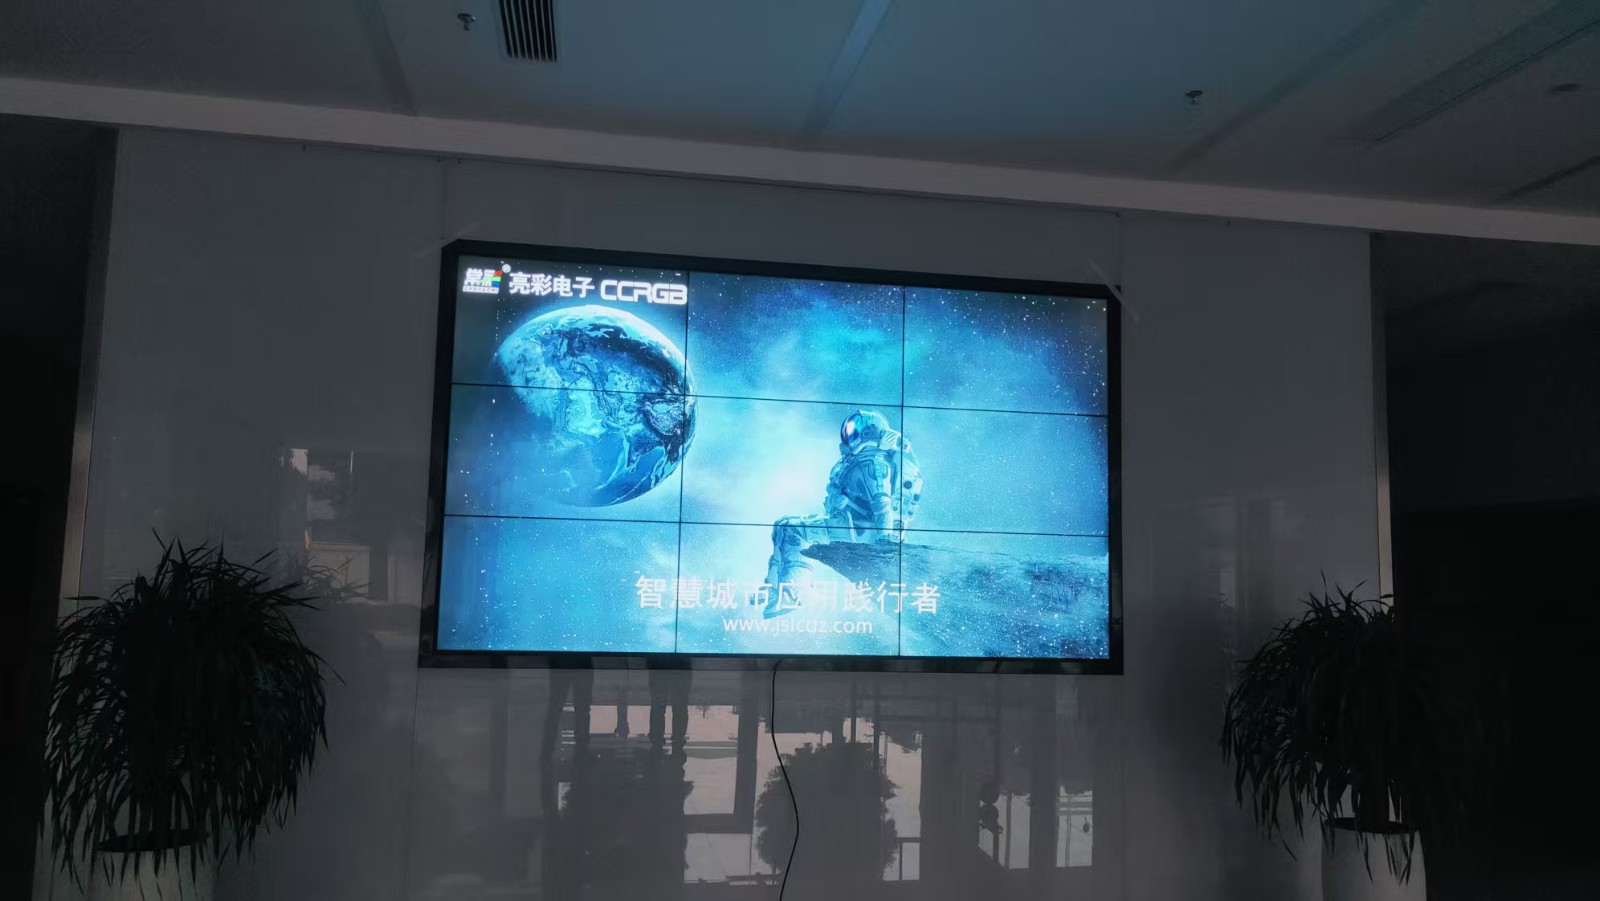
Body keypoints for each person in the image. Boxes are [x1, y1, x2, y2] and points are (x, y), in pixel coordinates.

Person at [763, 410, 922, 617]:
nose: (850, 436)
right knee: (783, 524)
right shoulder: (861, 461)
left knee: (793, 529)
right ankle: (774, 588)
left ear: (867, 433)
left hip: (858, 530)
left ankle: (792, 594)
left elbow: (881, 503)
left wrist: (885, 543)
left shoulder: (872, 463)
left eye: (855, 431)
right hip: (849, 523)